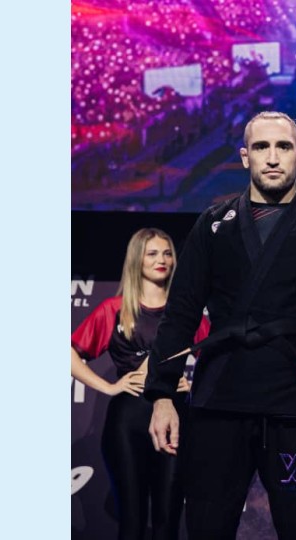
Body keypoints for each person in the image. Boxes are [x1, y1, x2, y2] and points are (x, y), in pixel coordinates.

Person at [144, 111, 296, 539]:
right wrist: (162, 394)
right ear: (245, 157)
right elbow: (180, 313)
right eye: (261, 147)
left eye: (283, 147)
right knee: (207, 528)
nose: (272, 157)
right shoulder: (213, 225)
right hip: (219, 399)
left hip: (294, 401)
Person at [70, 228, 208, 540]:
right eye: (153, 253)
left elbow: (216, 358)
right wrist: (109, 387)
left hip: (174, 420)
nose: (162, 260)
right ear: (137, 260)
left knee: (167, 523)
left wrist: (195, 385)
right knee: (131, 523)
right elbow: (70, 354)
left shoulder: (185, 312)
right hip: (127, 422)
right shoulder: (114, 309)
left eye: (167, 253)